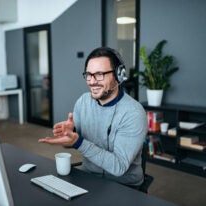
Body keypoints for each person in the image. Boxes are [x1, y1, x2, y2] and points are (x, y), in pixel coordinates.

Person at [38, 47, 148, 187]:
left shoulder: (133, 113)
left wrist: (78, 142)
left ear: (118, 75)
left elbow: (118, 167)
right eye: (89, 75)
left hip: (123, 186)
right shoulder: (83, 102)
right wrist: (69, 136)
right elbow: (73, 143)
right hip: (89, 177)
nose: (92, 81)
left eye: (99, 74)